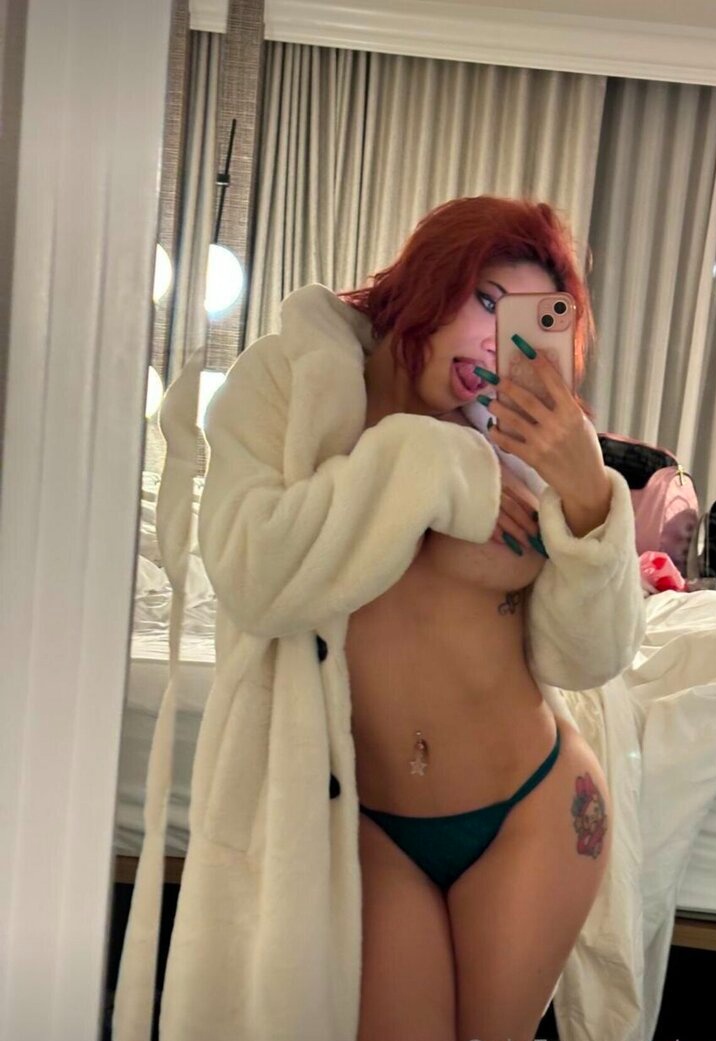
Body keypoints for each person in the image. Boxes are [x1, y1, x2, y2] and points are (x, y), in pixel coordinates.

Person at [142, 196, 644, 1041]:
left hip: (534, 808)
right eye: (485, 300)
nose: (496, 343)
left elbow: (584, 657)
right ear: (431, 278)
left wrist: (591, 501)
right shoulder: (295, 385)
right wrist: (431, 462)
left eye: (521, 322)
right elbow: (253, 572)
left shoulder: (525, 444)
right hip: (368, 824)